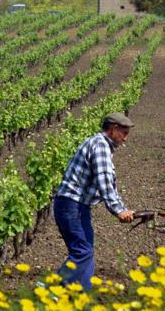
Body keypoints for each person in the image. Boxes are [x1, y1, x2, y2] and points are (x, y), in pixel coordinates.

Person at [53, 112, 136, 289]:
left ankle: (82, 297)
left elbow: (107, 185)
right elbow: (104, 181)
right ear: (113, 129)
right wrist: (119, 210)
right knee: (82, 251)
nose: (125, 139)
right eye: (124, 133)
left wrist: (122, 207)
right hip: (71, 205)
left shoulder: (100, 145)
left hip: (78, 206)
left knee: (87, 253)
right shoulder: (100, 146)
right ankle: (48, 290)